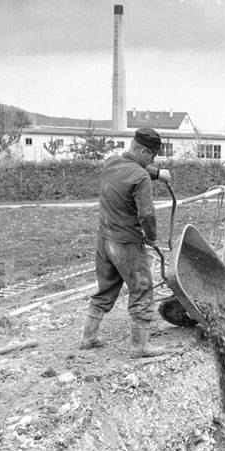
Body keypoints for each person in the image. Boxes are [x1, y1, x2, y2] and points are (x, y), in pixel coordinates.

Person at [79, 126, 172, 357]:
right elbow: (147, 214)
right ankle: (139, 346)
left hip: (104, 239)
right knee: (142, 289)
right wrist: (151, 237)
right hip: (127, 243)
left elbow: (129, 168)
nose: (153, 159)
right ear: (142, 151)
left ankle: (88, 337)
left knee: (106, 287)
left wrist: (158, 172)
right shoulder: (140, 177)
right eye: (151, 155)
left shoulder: (111, 162)